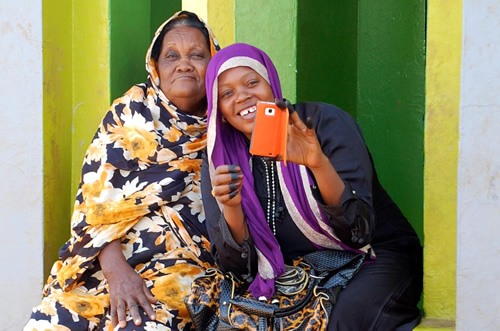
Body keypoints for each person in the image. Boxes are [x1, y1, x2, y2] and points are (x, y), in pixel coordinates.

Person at [201, 43, 423, 330]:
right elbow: (238, 267)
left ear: (271, 82)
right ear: (219, 109)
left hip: (373, 255)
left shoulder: (322, 124)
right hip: (296, 273)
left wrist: (318, 164)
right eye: (226, 94)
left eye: (251, 82)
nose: (242, 96)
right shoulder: (220, 158)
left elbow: (359, 231)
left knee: (342, 319)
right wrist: (231, 208)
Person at [24, 11, 220, 330]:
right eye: (172, 55)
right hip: (108, 262)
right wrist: (116, 274)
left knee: (143, 325)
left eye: (197, 55)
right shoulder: (130, 114)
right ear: (156, 66)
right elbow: (93, 203)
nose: (184, 64)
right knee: (51, 321)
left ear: (212, 65)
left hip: (184, 269)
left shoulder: (224, 124)